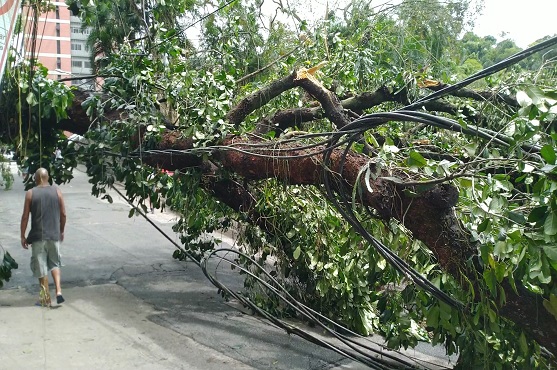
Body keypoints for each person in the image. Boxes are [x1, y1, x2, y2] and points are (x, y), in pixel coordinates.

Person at [20, 168, 67, 307]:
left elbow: (25, 217)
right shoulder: (57, 191)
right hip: (54, 235)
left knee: (41, 267)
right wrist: (61, 231)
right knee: (55, 264)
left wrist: (22, 235)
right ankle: (58, 291)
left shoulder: (30, 193)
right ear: (47, 178)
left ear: (36, 178)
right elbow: (63, 214)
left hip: (38, 237)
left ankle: (45, 298)